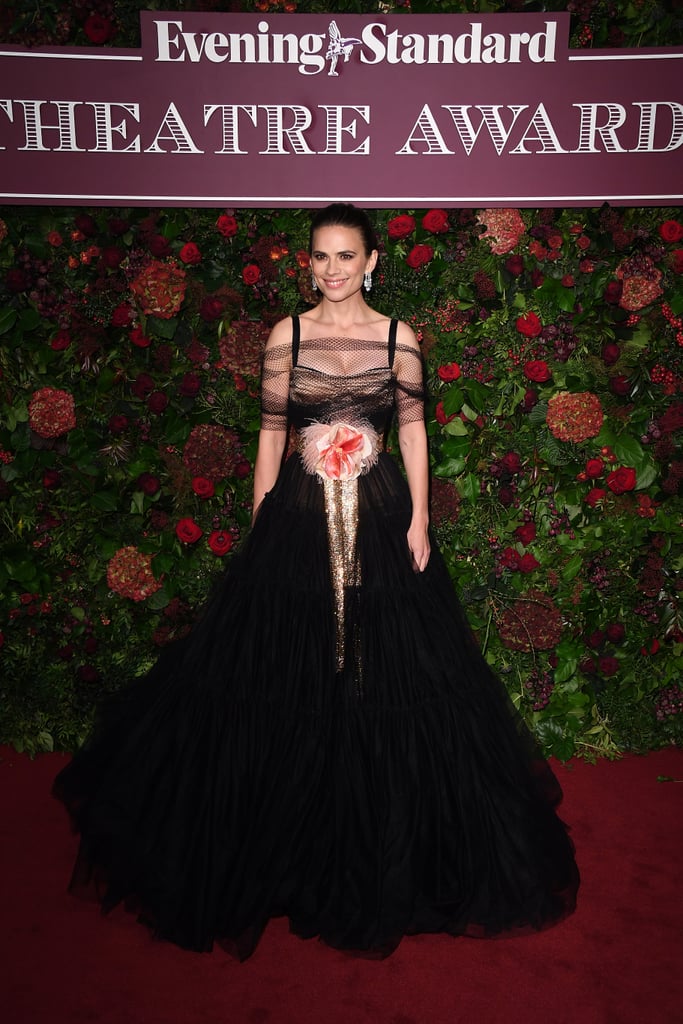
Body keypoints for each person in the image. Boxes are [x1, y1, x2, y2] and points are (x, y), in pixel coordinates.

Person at [54, 203, 579, 961]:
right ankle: (281, 848)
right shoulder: (285, 335)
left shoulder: (399, 338)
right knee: (281, 676)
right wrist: (260, 525)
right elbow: (269, 435)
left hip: (378, 519)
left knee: (388, 678)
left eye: (344, 256)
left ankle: (378, 844)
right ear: (308, 263)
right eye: (318, 257)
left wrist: (421, 521)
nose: (330, 269)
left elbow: (411, 431)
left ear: (372, 262)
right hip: (296, 525)